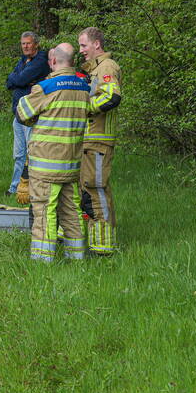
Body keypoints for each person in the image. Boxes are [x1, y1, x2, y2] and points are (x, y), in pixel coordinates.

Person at [16, 43, 90, 262]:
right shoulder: (84, 88)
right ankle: (77, 256)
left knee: (44, 212)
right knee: (72, 212)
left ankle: (42, 259)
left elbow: (22, 113)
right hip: (72, 164)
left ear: (54, 61)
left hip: (46, 165)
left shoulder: (46, 87)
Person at [78, 27, 122, 255]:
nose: (81, 50)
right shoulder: (94, 69)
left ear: (96, 44)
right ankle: (98, 243)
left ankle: (104, 248)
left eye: (83, 45)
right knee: (90, 190)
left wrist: (84, 107)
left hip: (99, 140)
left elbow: (112, 96)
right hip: (90, 141)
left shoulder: (106, 67)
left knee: (96, 190)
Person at [5, 31, 50, 198]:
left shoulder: (40, 60)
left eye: (28, 43)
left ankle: (32, 187)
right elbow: (11, 82)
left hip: (31, 115)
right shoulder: (24, 60)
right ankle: (15, 187)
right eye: (23, 43)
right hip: (18, 113)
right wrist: (18, 79)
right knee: (18, 153)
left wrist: (19, 80)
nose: (25, 46)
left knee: (31, 153)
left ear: (36, 44)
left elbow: (20, 80)